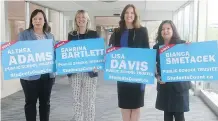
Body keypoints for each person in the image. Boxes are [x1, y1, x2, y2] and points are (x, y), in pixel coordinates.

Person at [109, 4, 149, 121]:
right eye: (127, 13)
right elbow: (112, 51)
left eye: (132, 13)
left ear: (135, 15)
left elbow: (146, 51)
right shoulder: (117, 32)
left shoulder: (142, 31)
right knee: (125, 106)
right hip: (122, 74)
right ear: (123, 15)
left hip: (138, 75)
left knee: (136, 107)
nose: (129, 15)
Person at [18, 9, 55, 121]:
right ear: (31, 21)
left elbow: (54, 53)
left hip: (47, 76)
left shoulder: (50, 36)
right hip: (30, 77)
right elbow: (19, 52)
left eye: (40, 19)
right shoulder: (24, 34)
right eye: (35, 19)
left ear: (44, 21)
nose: (37, 21)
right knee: (30, 103)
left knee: (45, 103)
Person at [153, 20, 191, 121]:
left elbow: (190, 60)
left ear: (173, 30)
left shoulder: (182, 45)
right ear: (160, 32)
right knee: (167, 116)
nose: (165, 31)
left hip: (179, 87)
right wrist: (158, 77)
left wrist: (190, 48)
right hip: (165, 86)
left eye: (168, 28)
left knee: (179, 116)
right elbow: (152, 67)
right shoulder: (156, 47)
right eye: (163, 29)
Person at [67, 10, 99, 121]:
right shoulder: (71, 35)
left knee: (89, 101)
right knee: (77, 101)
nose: (81, 19)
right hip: (75, 72)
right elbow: (69, 52)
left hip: (89, 72)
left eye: (83, 17)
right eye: (78, 17)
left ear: (87, 19)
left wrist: (97, 65)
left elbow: (98, 52)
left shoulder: (94, 34)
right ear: (76, 19)